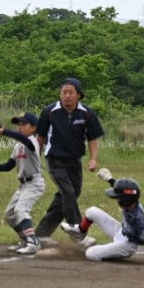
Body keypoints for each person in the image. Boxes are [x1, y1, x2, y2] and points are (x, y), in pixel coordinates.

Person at [34, 77, 105, 248]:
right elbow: (40, 137)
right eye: (64, 92)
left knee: (68, 196)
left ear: (78, 95)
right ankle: (78, 231)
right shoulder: (49, 111)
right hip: (55, 160)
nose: (67, 95)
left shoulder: (87, 113)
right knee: (68, 193)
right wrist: (35, 159)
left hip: (75, 161)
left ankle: (41, 234)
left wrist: (93, 159)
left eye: (70, 92)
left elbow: (92, 138)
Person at [60, 168, 144, 267]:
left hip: (127, 245)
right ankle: (80, 232)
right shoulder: (132, 202)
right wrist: (109, 178)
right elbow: (124, 191)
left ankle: (112, 252)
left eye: (118, 198)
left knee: (91, 253)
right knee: (92, 211)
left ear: (125, 201)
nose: (116, 199)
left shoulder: (138, 218)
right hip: (121, 231)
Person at [0, 112, 46, 255]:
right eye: (18, 125)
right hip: (24, 185)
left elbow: (24, 139)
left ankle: (34, 243)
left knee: (20, 211)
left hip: (35, 183)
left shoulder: (33, 142)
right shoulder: (18, 146)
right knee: (9, 215)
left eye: (24, 124)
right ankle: (25, 241)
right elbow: (8, 166)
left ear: (34, 128)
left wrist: (4, 132)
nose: (19, 127)